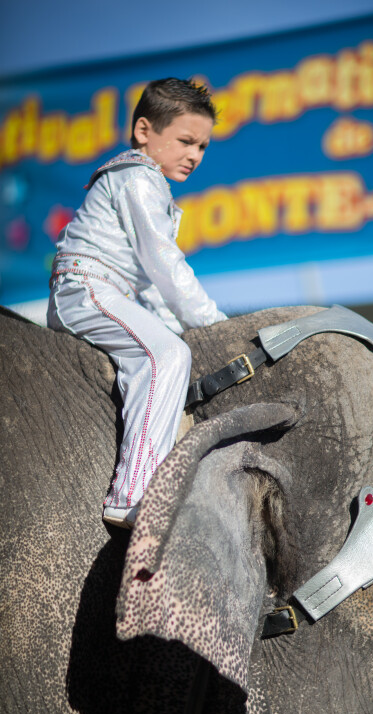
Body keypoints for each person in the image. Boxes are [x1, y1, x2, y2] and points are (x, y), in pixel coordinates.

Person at [47, 78, 227, 528]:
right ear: (145, 131)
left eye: (203, 146)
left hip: (110, 291)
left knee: (172, 345)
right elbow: (166, 266)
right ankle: (134, 495)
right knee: (166, 355)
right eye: (186, 141)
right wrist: (216, 327)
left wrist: (188, 328)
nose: (195, 155)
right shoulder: (139, 179)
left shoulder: (144, 183)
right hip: (88, 288)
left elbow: (149, 288)